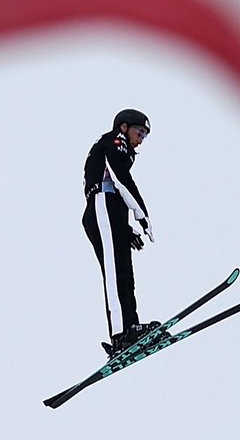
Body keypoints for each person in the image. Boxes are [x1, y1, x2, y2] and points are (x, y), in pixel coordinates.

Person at [82, 108, 162, 356]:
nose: (141, 139)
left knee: (125, 272)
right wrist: (142, 215)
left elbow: (116, 189)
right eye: (140, 132)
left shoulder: (123, 150)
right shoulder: (114, 142)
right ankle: (120, 334)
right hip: (102, 205)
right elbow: (120, 179)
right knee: (116, 272)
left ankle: (132, 327)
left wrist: (127, 229)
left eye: (145, 135)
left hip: (110, 210)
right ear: (124, 128)